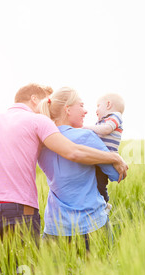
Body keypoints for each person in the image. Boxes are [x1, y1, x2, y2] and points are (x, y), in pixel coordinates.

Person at [0, 83, 128, 275]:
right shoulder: (45, 125)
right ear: (35, 99)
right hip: (38, 215)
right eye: (81, 105)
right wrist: (113, 155)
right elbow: (83, 158)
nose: (85, 110)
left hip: (0, 215)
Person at [37, 87, 120, 250]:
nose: (86, 111)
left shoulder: (43, 144)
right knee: (99, 273)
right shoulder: (86, 137)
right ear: (67, 109)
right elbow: (116, 174)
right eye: (81, 105)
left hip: (54, 228)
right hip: (91, 225)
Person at [83, 93, 125, 214]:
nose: (96, 110)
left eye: (98, 106)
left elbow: (106, 129)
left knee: (100, 183)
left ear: (108, 104)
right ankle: (100, 203)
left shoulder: (115, 116)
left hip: (107, 157)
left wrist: (86, 128)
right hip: (100, 157)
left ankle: (104, 203)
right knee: (95, 181)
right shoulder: (102, 121)